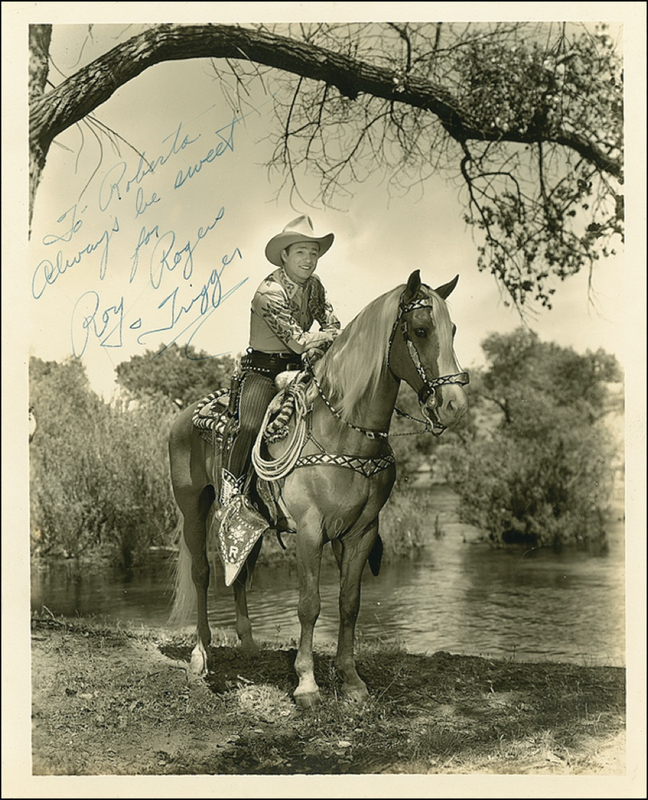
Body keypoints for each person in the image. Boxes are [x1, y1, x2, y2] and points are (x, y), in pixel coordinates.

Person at [219, 214, 341, 516]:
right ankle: (232, 492)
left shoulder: (314, 287)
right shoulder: (269, 292)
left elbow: (333, 324)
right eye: (301, 252)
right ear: (284, 255)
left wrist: (326, 336)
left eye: (314, 253)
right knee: (249, 425)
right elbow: (298, 341)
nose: (309, 259)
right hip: (263, 371)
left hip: (301, 368)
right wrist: (326, 337)